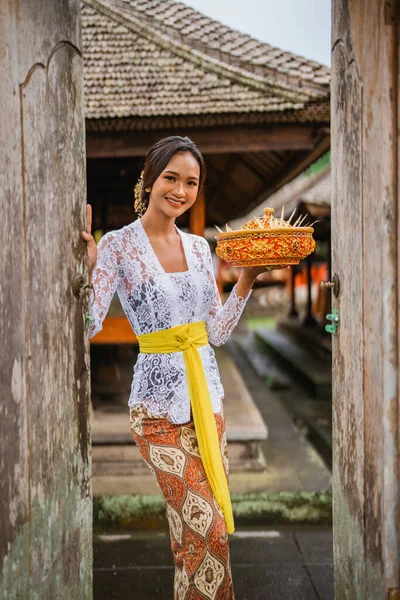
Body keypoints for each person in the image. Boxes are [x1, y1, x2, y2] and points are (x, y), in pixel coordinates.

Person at [82, 136, 287, 599]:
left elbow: (215, 333)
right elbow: (89, 324)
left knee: (190, 537)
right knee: (210, 530)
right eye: (171, 178)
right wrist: (88, 266)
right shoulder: (117, 245)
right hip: (156, 412)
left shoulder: (199, 248)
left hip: (207, 403)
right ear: (149, 179)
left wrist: (248, 279)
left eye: (191, 182)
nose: (180, 190)